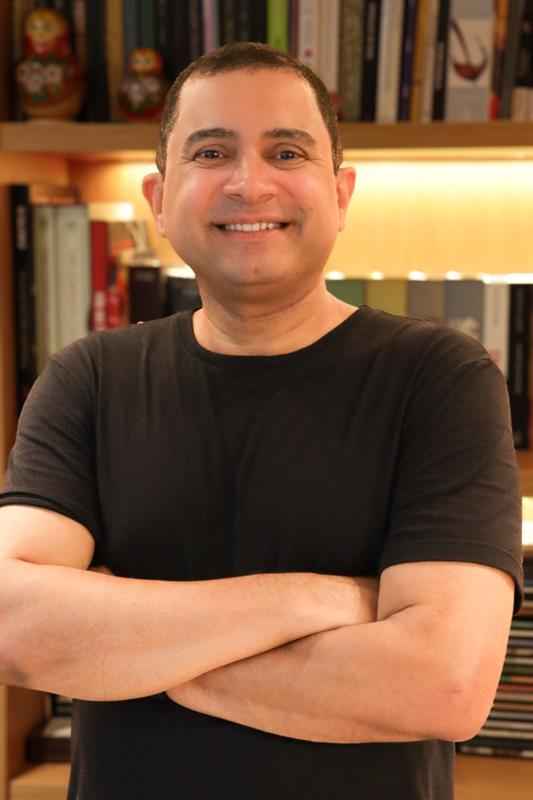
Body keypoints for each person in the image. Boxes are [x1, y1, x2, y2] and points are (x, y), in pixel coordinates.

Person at [0, 42, 523, 800]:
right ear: (159, 198)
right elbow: (14, 625)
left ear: (340, 193)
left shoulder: (440, 377)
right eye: (212, 152)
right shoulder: (89, 377)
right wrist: (317, 599)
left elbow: (442, 686)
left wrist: (129, 652)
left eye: (286, 151)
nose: (249, 183)